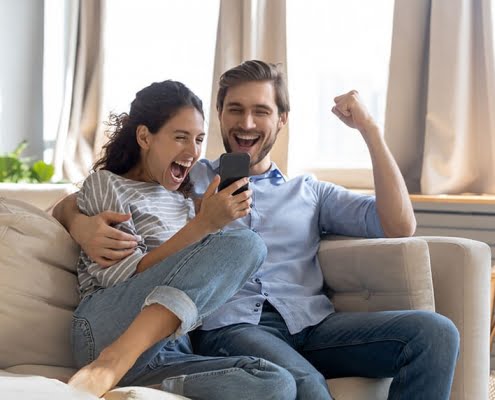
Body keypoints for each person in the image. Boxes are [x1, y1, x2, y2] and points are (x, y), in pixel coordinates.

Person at [55, 61, 460, 400]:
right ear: (220, 116)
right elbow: (103, 189)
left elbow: (399, 225)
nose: (246, 123)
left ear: (281, 120)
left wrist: (370, 131)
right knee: (307, 388)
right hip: (233, 328)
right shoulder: (185, 175)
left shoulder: (309, 191)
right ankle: (114, 366)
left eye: (261, 111)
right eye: (235, 109)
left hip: (311, 324)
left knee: (435, 333)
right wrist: (78, 222)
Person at [62, 79, 296, 399]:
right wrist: (202, 226)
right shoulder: (107, 184)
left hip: (164, 352)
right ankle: (110, 364)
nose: (193, 152)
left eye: (199, 139)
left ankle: (136, 386)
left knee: (277, 383)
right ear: (145, 136)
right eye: (180, 137)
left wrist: (204, 223)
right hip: (104, 328)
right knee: (249, 243)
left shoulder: (182, 201)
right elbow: (120, 275)